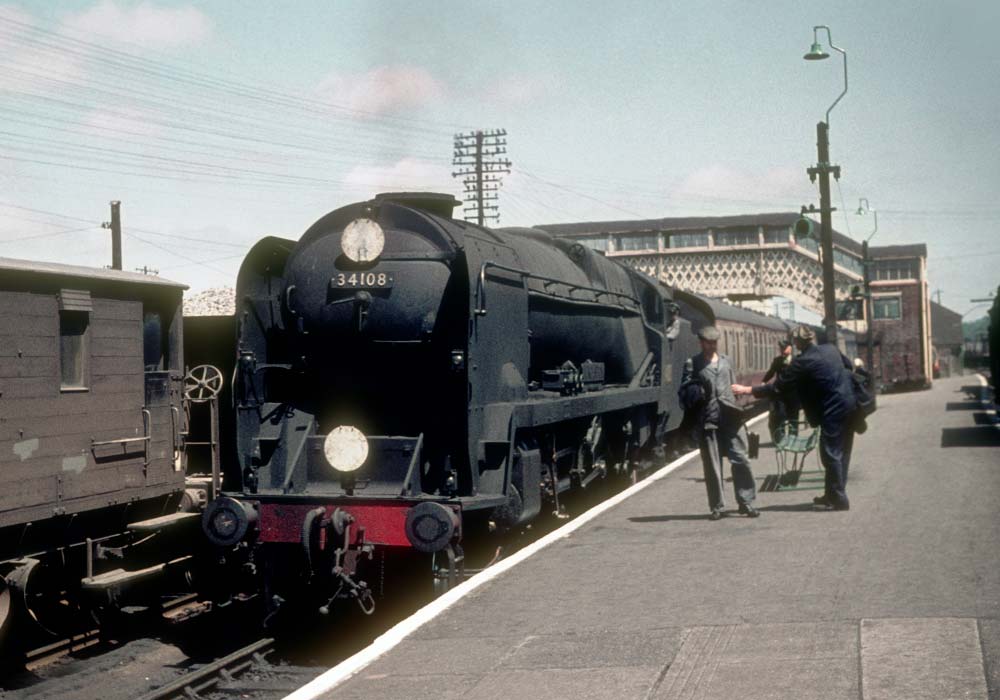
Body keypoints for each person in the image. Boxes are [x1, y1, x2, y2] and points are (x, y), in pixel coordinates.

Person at [733, 325, 857, 511]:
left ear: (798, 342)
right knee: (843, 452)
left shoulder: (802, 362)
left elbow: (777, 387)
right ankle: (832, 494)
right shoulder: (830, 349)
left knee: (830, 454)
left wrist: (747, 390)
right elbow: (849, 367)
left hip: (832, 410)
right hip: (851, 404)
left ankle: (839, 499)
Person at [679, 325, 759, 520]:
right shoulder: (693, 364)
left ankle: (746, 502)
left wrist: (740, 403)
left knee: (741, 459)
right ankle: (717, 506)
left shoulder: (726, 361)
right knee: (712, 465)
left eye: (715, 342)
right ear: (701, 343)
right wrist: (696, 393)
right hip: (708, 417)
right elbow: (684, 391)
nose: (712, 346)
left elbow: (733, 386)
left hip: (731, 417)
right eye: (709, 343)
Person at [763, 339, 800, 442]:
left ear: (790, 348)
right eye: (780, 348)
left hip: (793, 395)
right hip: (781, 394)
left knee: (793, 418)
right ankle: (782, 439)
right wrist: (763, 382)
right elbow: (771, 372)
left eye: (784, 347)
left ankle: (793, 439)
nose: (782, 350)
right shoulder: (777, 361)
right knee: (781, 416)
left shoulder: (797, 361)